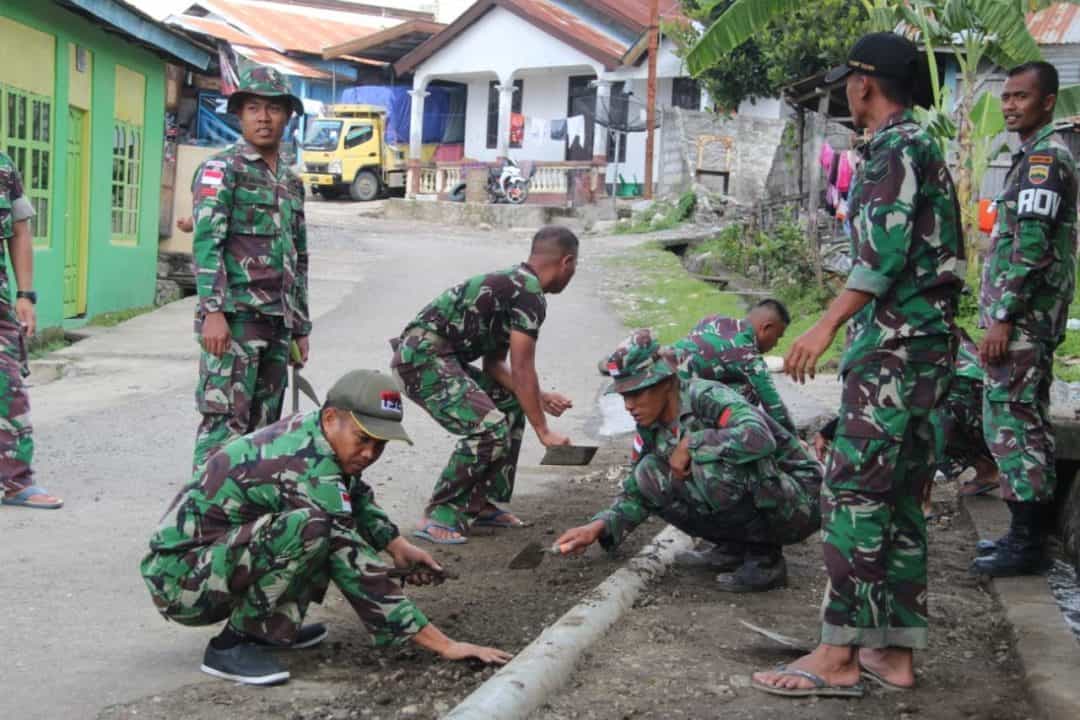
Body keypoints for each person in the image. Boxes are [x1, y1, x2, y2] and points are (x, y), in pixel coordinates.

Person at [753, 32, 964, 698]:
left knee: (853, 497)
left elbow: (882, 260)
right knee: (899, 500)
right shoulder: (916, 149)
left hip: (895, 355)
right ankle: (892, 654)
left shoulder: (894, 152)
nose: (847, 89)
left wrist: (823, 326)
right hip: (920, 352)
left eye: (850, 80)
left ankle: (838, 654)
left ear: (863, 85)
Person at [140, 370, 511, 686]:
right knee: (315, 530)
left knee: (317, 527)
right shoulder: (304, 464)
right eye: (363, 439)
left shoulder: (316, 437)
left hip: (208, 563)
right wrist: (443, 644)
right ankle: (232, 646)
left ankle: (272, 626)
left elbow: (355, 496)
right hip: (180, 582)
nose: (369, 453)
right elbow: (353, 563)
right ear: (332, 417)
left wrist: (397, 545)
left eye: (379, 445)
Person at [556, 330, 822, 592]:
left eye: (636, 394)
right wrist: (597, 527)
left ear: (664, 382)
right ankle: (733, 547)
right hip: (770, 496)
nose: (628, 405)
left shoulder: (706, 396)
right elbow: (637, 493)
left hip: (801, 500)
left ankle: (765, 560)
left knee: (708, 467)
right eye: (625, 396)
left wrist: (692, 444)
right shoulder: (652, 426)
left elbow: (759, 437)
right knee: (650, 472)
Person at [391, 226, 578, 545]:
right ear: (566, 262)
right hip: (421, 358)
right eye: (574, 267)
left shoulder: (515, 286)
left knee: (508, 401)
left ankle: (480, 503)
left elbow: (495, 365)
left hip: (436, 357)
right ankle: (440, 513)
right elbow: (522, 367)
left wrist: (539, 397)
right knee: (489, 429)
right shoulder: (529, 293)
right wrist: (543, 429)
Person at [974, 61, 1078, 576]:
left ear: (1047, 102)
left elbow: (1032, 248)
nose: (1011, 105)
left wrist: (1003, 317)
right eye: (1007, 96)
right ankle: (1022, 537)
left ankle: (1026, 544)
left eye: (1022, 96)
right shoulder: (1034, 157)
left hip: (1024, 320)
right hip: (1028, 318)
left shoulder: (1045, 162)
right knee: (1022, 418)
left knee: (1014, 422)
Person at [190, 65, 312, 471]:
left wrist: (300, 327)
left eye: (274, 109)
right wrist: (213, 312)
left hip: (277, 324)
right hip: (235, 319)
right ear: (240, 115)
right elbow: (208, 243)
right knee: (224, 424)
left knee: (264, 431)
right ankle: (199, 522)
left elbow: (299, 256)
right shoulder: (222, 170)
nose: (264, 117)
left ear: (287, 116)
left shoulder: (291, 183)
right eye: (254, 108)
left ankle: (243, 518)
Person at [0, 152, 61, 510]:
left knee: (9, 388)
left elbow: (20, 231)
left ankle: (16, 480)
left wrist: (25, 295)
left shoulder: (4, 168)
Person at [670, 300, 796, 433]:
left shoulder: (713, 320)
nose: (776, 344)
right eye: (777, 337)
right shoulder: (746, 354)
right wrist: (795, 439)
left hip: (662, 376)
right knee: (750, 391)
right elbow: (774, 405)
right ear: (766, 328)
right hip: (678, 399)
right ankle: (717, 432)